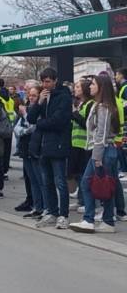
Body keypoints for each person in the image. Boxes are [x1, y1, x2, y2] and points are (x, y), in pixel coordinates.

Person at [70, 74, 122, 233]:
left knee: (88, 183)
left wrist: (97, 157)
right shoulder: (101, 105)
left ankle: (89, 219)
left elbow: (102, 133)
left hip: (103, 151)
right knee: (105, 185)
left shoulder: (103, 107)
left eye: (93, 84)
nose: (90, 86)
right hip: (104, 151)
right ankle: (106, 221)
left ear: (101, 87)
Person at [26, 68, 72, 229]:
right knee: (47, 182)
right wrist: (39, 102)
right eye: (43, 82)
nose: (45, 85)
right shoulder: (44, 96)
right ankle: (52, 211)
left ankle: (63, 215)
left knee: (60, 181)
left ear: (55, 80)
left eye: (48, 81)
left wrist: (40, 123)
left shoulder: (64, 97)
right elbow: (30, 118)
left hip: (58, 143)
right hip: (43, 144)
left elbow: (57, 121)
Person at [14, 84, 44, 218]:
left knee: (39, 179)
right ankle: (36, 206)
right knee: (32, 179)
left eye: (34, 96)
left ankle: (44, 206)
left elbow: (33, 125)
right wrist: (24, 130)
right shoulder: (27, 107)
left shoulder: (39, 110)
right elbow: (17, 128)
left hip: (36, 146)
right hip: (25, 147)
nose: (31, 98)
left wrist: (26, 117)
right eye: (29, 95)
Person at [68, 79, 94, 211]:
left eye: (78, 87)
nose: (75, 89)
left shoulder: (90, 104)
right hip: (75, 143)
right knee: (77, 172)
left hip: (84, 144)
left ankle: (85, 202)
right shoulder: (80, 104)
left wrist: (74, 114)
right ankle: (80, 199)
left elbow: (87, 124)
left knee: (84, 173)